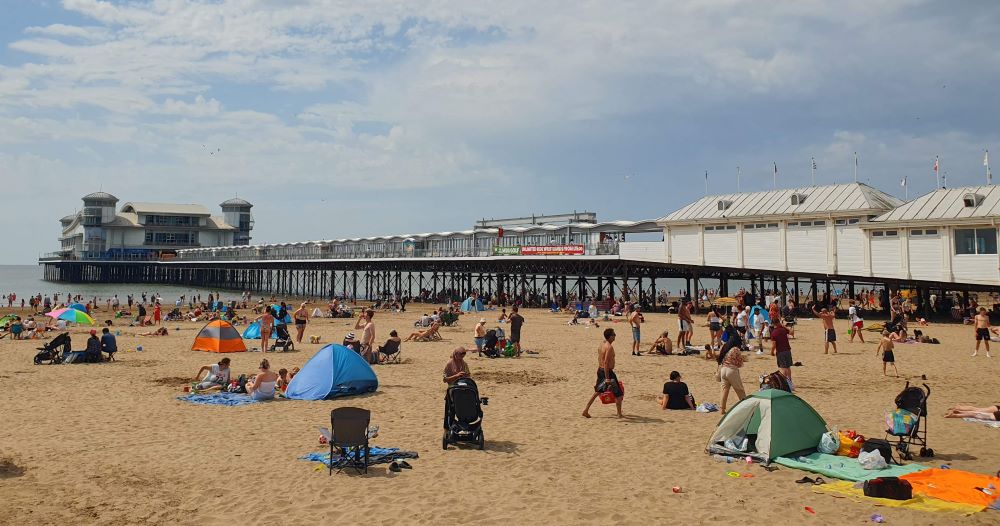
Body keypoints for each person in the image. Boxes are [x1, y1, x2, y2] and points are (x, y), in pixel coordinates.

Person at [582, 328, 622, 418]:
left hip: (600, 370)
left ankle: (586, 410)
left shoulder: (602, 344)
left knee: (597, 392)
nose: (615, 335)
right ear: (610, 336)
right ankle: (619, 414)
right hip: (607, 372)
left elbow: (600, 357)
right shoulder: (609, 347)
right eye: (614, 334)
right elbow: (606, 362)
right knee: (619, 394)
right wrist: (607, 377)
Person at [717, 337, 745, 413]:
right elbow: (740, 363)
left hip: (723, 370)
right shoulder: (736, 349)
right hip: (731, 370)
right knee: (740, 390)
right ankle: (746, 407)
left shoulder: (725, 347)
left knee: (724, 390)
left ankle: (722, 409)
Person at [770, 318, 794, 389]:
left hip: (780, 351)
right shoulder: (783, 330)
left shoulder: (774, 333)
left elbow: (774, 345)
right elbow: (791, 332)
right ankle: (790, 382)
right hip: (787, 350)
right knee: (788, 367)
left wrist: (771, 352)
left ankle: (785, 384)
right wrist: (784, 326)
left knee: (783, 368)